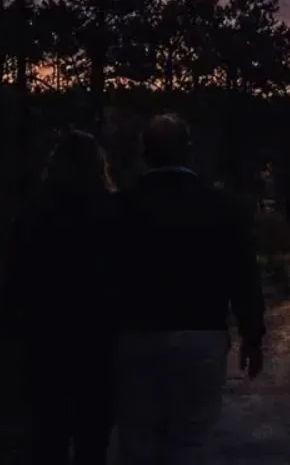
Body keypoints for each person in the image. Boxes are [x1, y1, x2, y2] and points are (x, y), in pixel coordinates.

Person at [115, 113, 265, 465]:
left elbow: (102, 276)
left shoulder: (121, 206)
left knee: (137, 439)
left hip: (135, 336)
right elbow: (243, 274)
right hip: (202, 335)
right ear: (188, 151)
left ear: (144, 153)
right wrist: (252, 336)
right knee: (192, 440)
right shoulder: (220, 206)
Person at [2, 130, 119, 465]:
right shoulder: (111, 216)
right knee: (92, 441)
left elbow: (15, 284)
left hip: (44, 341)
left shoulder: (32, 218)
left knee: (46, 437)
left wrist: (11, 336)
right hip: (97, 344)